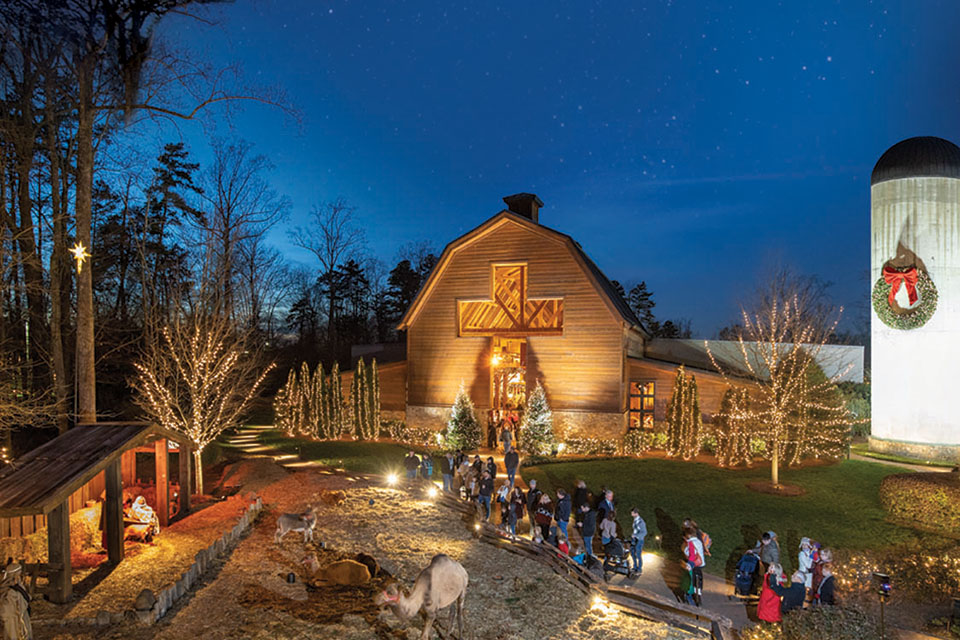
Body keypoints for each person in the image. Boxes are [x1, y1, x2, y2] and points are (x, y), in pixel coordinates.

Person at [0, 562, 31, 640]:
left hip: (18, 617)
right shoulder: (10, 592)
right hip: (13, 620)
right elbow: (7, 609)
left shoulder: (18, 587)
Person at [682, 525, 706, 606]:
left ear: (688, 535)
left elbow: (692, 555)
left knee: (689, 579)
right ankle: (699, 592)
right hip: (701, 564)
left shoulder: (691, 543)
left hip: (694, 564)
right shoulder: (698, 541)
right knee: (699, 577)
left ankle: (689, 597)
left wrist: (689, 565)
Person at [630, 507, 647, 575]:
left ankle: (639, 569)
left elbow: (644, 532)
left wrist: (636, 535)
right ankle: (635, 567)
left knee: (638, 554)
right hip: (634, 539)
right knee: (633, 553)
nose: (631, 514)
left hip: (639, 540)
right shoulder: (635, 520)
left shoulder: (641, 522)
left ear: (636, 513)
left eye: (632, 513)